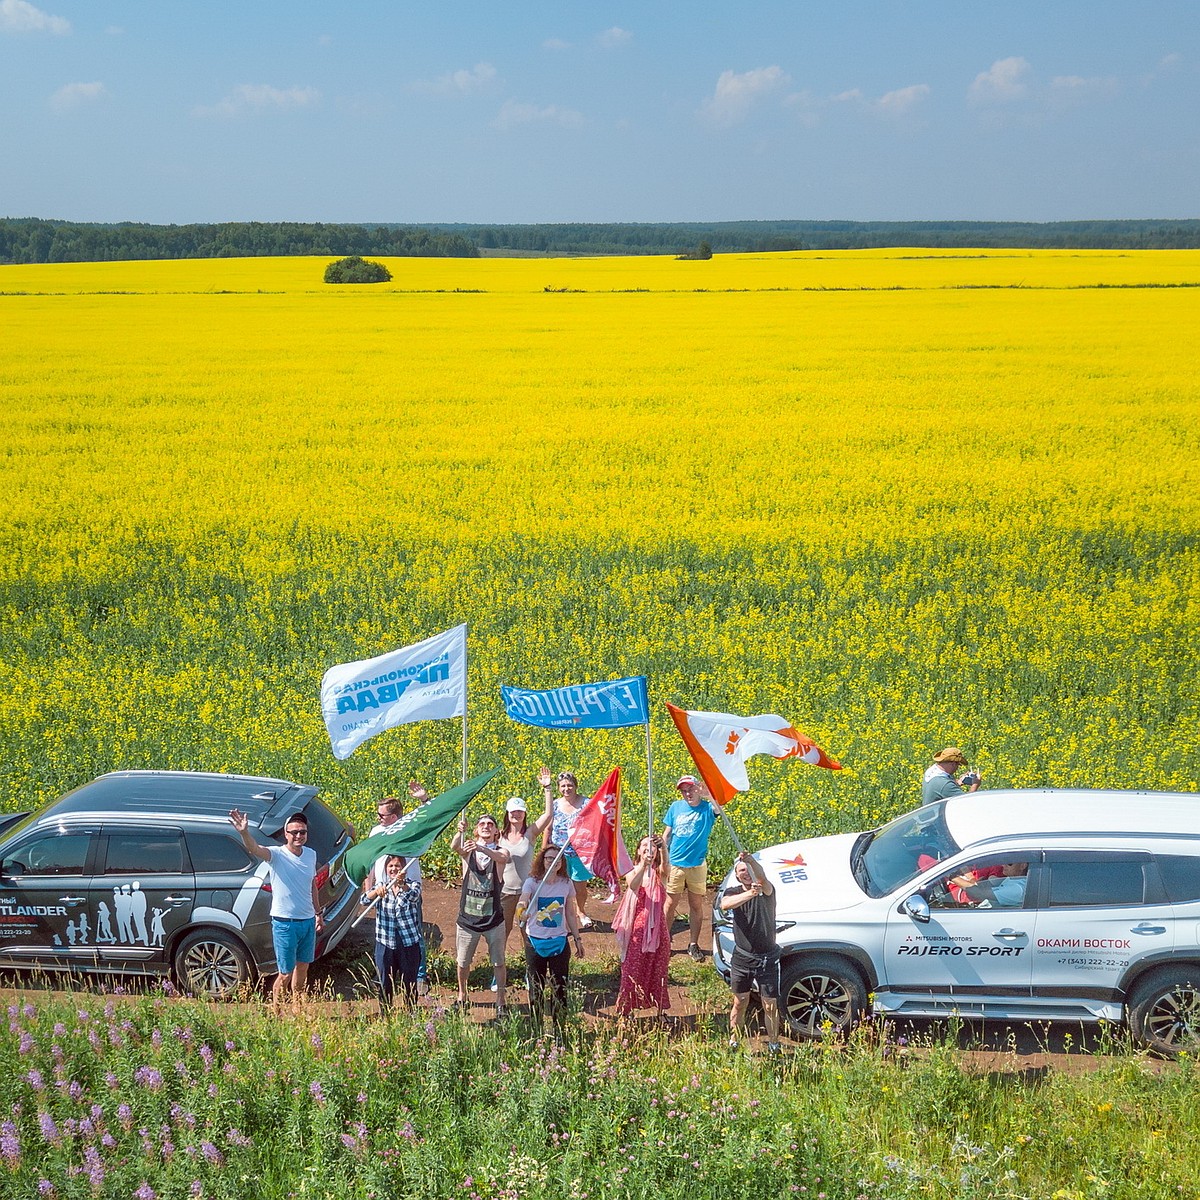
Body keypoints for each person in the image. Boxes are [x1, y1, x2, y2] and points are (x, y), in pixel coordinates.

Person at [229, 808, 324, 1011]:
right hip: (285, 923)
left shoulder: (310, 855)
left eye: (302, 832)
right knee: (285, 972)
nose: (299, 836)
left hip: (307, 921)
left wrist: (318, 914)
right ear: (285, 834)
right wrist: (244, 833)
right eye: (294, 832)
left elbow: (312, 886)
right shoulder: (276, 855)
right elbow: (254, 848)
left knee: (303, 967)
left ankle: (298, 1008)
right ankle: (277, 1011)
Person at [363, 786, 429, 993]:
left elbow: (429, 820)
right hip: (383, 893)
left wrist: (424, 799)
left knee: (414, 933)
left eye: (381, 815)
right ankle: (385, 971)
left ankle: (420, 975)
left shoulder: (409, 827)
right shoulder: (376, 832)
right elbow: (370, 863)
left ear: (394, 816)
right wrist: (370, 890)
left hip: (409, 890)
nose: (378, 818)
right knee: (386, 935)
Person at [517, 844, 585, 1032]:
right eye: (549, 858)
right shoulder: (532, 882)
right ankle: (536, 1028)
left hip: (560, 943)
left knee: (560, 990)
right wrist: (521, 911)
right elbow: (523, 899)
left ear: (561, 862)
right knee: (536, 990)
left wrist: (577, 939)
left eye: (557, 858)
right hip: (535, 943)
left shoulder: (566, 883)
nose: (553, 861)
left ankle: (559, 1029)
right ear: (543, 861)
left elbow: (570, 913)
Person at [719, 851, 781, 1054]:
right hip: (743, 958)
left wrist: (751, 861)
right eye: (742, 870)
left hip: (767, 958)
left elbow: (762, 879)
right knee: (740, 1001)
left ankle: (773, 1044)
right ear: (737, 876)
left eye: (749, 869)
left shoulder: (766, 889)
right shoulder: (735, 892)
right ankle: (734, 1040)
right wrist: (749, 894)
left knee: (770, 1003)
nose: (746, 873)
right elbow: (725, 904)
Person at [450, 813, 511, 1015]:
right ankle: (462, 995)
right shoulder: (469, 851)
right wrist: (459, 832)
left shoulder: (500, 852)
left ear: (496, 831)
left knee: (499, 962)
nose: (486, 826)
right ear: (476, 830)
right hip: (467, 921)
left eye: (490, 824)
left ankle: (500, 1001)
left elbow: (503, 857)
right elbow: (455, 848)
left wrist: (482, 848)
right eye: (482, 824)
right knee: (463, 962)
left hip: (494, 920)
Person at [661, 774, 719, 962]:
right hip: (675, 863)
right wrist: (662, 859)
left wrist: (708, 794)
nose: (688, 794)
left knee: (696, 905)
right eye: (684, 791)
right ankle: (663, 941)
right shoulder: (675, 807)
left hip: (697, 865)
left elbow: (720, 808)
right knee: (670, 904)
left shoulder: (707, 808)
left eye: (691, 789)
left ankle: (693, 944)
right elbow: (667, 835)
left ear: (698, 789)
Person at [613, 834, 671, 1016]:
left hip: (658, 929)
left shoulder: (659, 873)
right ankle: (625, 1011)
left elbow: (666, 868)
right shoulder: (631, 870)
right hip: (636, 930)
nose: (648, 848)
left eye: (652, 846)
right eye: (644, 845)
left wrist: (663, 848)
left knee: (658, 969)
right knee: (632, 968)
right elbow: (633, 885)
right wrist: (643, 866)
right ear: (638, 850)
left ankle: (661, 1012)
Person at [362, 854, 422, 1011]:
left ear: (404, 869)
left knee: (409, 981)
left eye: (398, 866)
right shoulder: (382, 886)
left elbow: (414, 897)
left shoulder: (413, 885)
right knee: (385, 982)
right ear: (386, 869)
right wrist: (375, 892)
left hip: (408, 942)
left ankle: (410, 1012)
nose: (394, 869)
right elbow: (364, 901)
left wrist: (402, 885)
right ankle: (386, 1013)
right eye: (391, 866)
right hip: (386, 942)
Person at [538, 767, 594, 929]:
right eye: (563, 786)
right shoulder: (555, 805)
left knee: (579, 887)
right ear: (558, 788)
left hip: (579, 853)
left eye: (569, 785)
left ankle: (580, 911)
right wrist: (544, 851)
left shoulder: (586, 803)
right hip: (557, 853)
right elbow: (548, 829)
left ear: (575, 786)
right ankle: (556, 916)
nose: (566, 789)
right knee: (555, 884)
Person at [951, 861, 1028, 908]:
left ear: (1023, 866)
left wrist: (952, 877)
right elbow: (985, 885)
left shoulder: (1017, 888)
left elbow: (978, 894)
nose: (1003, 865)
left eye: (1009, 863)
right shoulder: (1015, 879)